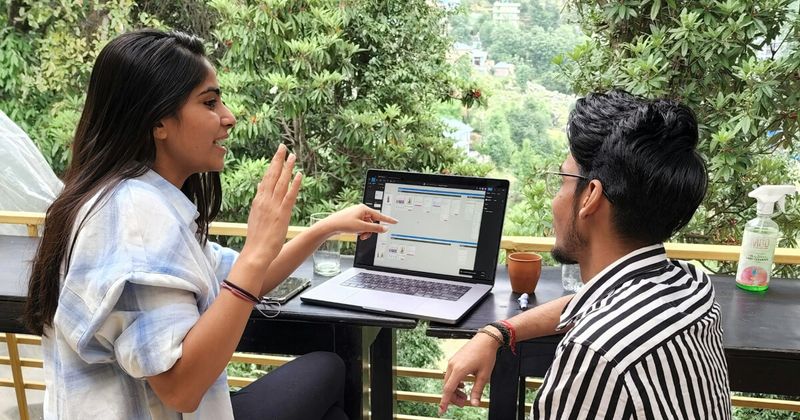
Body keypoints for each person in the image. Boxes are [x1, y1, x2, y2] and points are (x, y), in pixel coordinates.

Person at [23, 29, 396, 420]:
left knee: (328, 374)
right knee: (330, 373)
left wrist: (323, 229)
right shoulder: (134, 216)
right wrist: (256, 250)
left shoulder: (131, 199)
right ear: (158, 122)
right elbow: (182, 388)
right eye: (210, 102)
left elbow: (246, 277)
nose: (229, 118)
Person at [439, 90, 731, 419]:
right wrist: (498, 332)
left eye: (563, 182)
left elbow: (601, 322)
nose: (555, 201)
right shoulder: (692, 284)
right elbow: (593, 302)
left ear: (590, 196)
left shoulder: (596, 352)